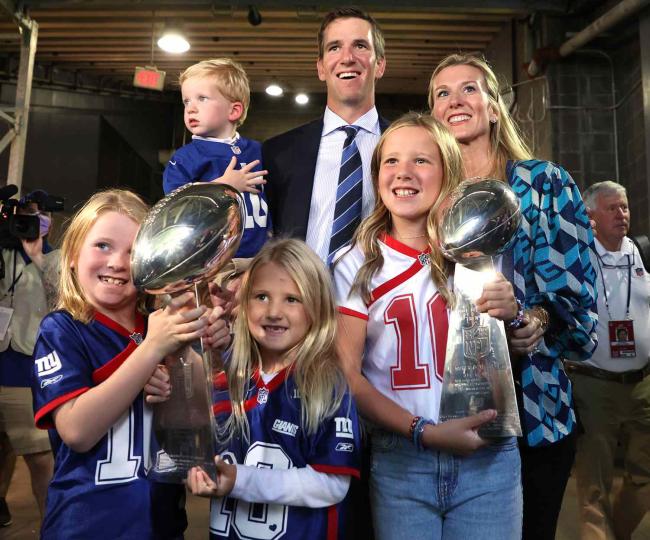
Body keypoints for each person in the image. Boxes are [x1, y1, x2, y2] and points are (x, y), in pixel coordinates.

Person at [428, 53, 598, 540]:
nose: (456, 101)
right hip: (440, 407)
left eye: (469, 89)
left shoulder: (544, 183)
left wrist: (533, 321)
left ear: (495, 107)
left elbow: (580, 296)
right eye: (442, 93)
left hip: (534, 404)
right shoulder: (426, 191)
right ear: (432, 112)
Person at [334, 112, 522, 539]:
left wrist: (514, 314)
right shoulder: (356, 264)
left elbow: (505, 353)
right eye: (391, 161)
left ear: (448, 171)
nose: (404, 173)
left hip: (486, 454)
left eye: (421, 160)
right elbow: (347, 375)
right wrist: (425, 432)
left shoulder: (479, 247)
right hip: (403, 456)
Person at [30, 189, 228, 539]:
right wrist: (150, 351)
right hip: (87, 526)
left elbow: (200, 424)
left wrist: (207, 349)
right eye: (102, 245)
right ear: (73, 254)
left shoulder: (163, 325)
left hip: (162, 523)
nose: (118, 262)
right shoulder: (62, 329)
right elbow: (76, 431)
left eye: (134, 252)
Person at [185, 239, 360, 540]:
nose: (274, 311)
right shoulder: (226, 374)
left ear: (317, 307)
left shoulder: (326, 385)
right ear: (242, 304)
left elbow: (332, 485)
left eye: (292, 299)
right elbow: (191, 445)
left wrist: (240, 480)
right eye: (262, 296)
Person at [262, 7, 388, 263]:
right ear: (321, 68)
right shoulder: (276, 152)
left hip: (383, 299)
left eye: (360, 46)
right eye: (334, 48)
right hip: (301, 298)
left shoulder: (407, 146)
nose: (347, 58)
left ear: (380, 65)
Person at [566, 181, 650, 540]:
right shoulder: (577, 259)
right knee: (594, 485)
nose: (622, 214)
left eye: (625, 207)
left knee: (645, 478)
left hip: (642, 384)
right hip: (593, 384)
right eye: (612, 208)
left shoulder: (644, 252)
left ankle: (615, 531)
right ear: (590, 216)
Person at [163, 58, 271, 259]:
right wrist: (223, 186)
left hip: (261, 258)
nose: (191, 108)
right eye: (186, 101)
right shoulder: (185, 158)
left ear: (233, 110)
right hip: (215, 262)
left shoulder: (258, 150)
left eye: (202, 98)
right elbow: (173, 208)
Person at [0, 195, 57, 522]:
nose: (32, 221)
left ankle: (53, 525)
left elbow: (65, 292)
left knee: (39, 458)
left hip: (25, 371)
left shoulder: (56, 257)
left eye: (39, 215)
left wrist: (37, 254)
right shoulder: (3, 253)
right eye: (25, 215)